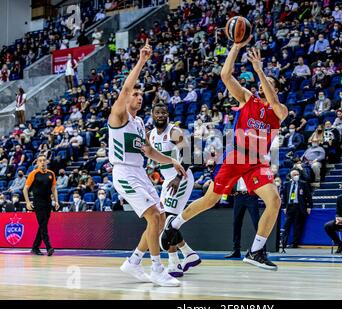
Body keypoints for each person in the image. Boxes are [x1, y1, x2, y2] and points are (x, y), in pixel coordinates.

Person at [159, 39, 288, 270]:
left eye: (268, 84)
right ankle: (173, 224)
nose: (262, 85)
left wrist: (260, 71)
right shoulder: (248, 98)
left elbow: (276, 104)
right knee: (210, 200)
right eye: (261, 83)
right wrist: (237, 47)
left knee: (274, 201)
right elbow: (225, 75)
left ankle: (256, 250)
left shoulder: (280, 111)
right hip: (236, 157)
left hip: (257, 163)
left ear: (276, 89)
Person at [108, 39, 186, 286]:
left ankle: (133, 262)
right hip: (123, 173)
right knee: (153, 217)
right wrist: (142, 60)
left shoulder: (140, 123)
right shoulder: (118, 116)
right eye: (135, 95)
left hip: (139, 171)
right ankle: (157, 269)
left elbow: (149, 152)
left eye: (142, 96)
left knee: (160, 219)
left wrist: (172, 161)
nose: (139, 98)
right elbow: (125, 89)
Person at [149, 103, 201, 278]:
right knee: (165, 221)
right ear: (152, 115)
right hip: (167, 180)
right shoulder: (151, 135)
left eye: (164, 112)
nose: (161, 115)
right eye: (157, 112)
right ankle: (189, 254)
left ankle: (174, 263)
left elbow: (188, 155)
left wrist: (178, 178)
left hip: (181, 178)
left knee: (169, 220)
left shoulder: (174, 132)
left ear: (168, 115)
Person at [23, 155, 59, 256]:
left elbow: (54, 189)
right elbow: (25, 189)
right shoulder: (33, 174)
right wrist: (28, 202)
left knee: (43, 225)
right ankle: (49, 247)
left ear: (46, 162)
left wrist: (56, 201)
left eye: (44, 160)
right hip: (38, 202)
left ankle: (35, 247)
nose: (42, 162)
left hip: (48, 202)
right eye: (40, 161)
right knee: (43, 224)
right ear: (37, 163)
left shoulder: (51, 173)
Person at [225, 178, 260, 258]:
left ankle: (261, 250)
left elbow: (258, 179)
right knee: (236, 223)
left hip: (251, 196)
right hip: (238, 196)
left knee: (257, 223)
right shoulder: (237, 168)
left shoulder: (253, 167)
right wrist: (232, 190)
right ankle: (236, 250)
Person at [281, 169, 312, 249]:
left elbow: (309, 196)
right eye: (294, 175)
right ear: (291, 176)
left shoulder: (303, 184)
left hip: (299, 207)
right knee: (286, 225)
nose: (296, 176)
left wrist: (309, 206)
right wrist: (284, 207)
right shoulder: (287, 184)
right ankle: (283, 243)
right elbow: (284, 196)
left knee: (297, 226)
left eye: (297, 174)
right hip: (290, 207)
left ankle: (295, 243)